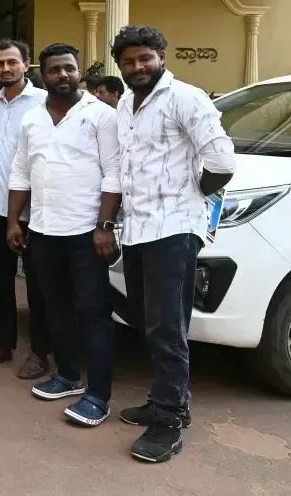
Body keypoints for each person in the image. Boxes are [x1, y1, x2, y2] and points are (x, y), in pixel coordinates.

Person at [110, 25, 235, 463]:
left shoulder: (187, 98)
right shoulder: (126, 103)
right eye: (128, 61)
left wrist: (191, 195)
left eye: (145, 58)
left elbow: (222, 161)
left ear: (161, 57)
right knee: (148, 321)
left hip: (174, 229)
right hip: (137, 229)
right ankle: (165, 399)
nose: (138, 67)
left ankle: (169, 419)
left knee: (167, 327)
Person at [7, 42, 119, 428]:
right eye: (55, 69)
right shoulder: (32, 118)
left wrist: (104, 226)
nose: (63, 75)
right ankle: (68, 375)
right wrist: (13, 221)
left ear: (79, 71)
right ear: (43, 75)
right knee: (55, 307)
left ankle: (99, 395)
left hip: (86, 233)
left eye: (69, 68)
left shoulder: (101, 115)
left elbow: (114, 174)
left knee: (93, 312)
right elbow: (21, 171)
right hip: (43, 230)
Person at [0, 40, 49, 378]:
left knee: (37, 284)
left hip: (34, 210)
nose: (5, 68)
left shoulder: (43, 102)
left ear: (26, 64)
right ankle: (1, 345)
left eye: (12, 62)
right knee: (1, 280)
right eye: (0, 63)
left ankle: (39, 352)